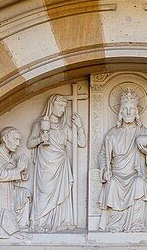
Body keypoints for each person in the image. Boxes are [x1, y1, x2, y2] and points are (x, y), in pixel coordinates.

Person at [98, 87, 147, 232]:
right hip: (117, 175)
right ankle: (115, 224)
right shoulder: (112, 134)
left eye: (131, 109)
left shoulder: (142, 132)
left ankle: (137, 224)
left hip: (136, 175)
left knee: (139, 184)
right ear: (120, 111)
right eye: (125, 108)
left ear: (136, 111)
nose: (128, 112)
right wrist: (105, 170)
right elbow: (103, 155)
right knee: (112, 183)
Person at [28, 93, 85, 232]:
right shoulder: (40, 124)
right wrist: (41, 138)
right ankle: (40, 222)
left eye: (65, 107)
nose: (63, 109)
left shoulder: (64, 127)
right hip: (46, 165)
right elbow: (30, 143)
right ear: (51, 105)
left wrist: (80, 126)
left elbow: (81, 143)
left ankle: (60, 221)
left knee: (61, 194)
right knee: (45, 193)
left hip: (61, 164)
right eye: (60, 106)